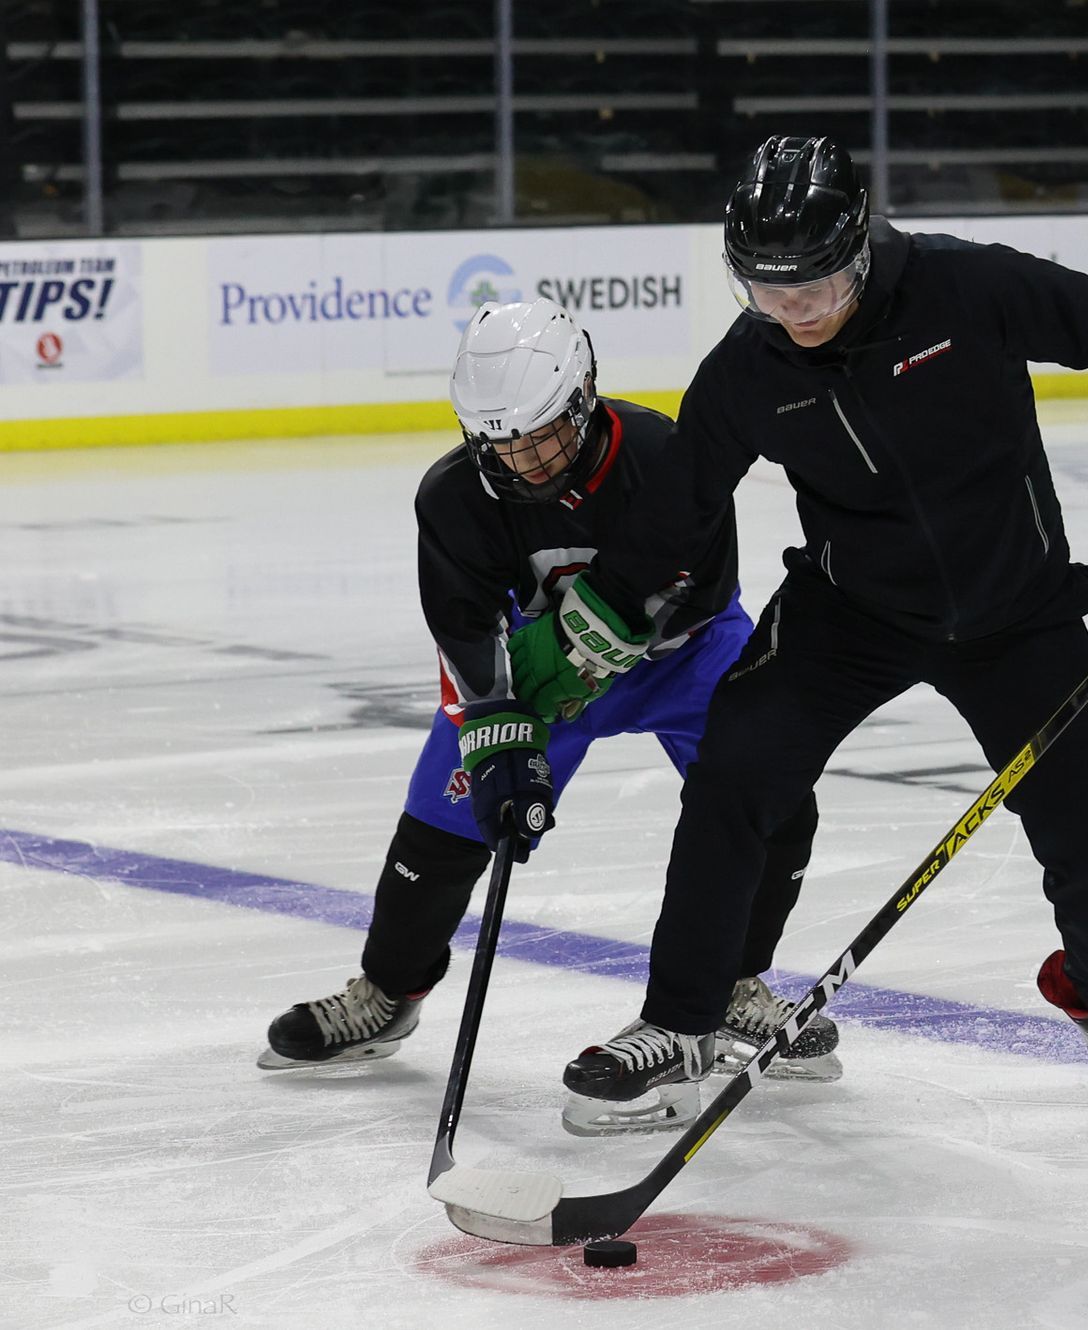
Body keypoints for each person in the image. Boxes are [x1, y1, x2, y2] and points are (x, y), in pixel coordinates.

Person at [507, 136, 1088, 1118]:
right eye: (769, 292)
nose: (796, 312)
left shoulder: (966, 287)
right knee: (736, 769)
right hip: (850, 609)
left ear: (858, 247)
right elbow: (676, 515)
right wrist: (588, 622)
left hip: (1014, 606)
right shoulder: (746, 369)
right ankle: (683, 1017)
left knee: (1086, 816)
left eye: (815, 284)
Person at [258, 298, 839, 1133]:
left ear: (585, 397)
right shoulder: (453, 497)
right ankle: (387, 993)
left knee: (775, 799)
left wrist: (596, 653)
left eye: (540, 435)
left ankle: (732, 984)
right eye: (501, 441)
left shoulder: (662, 452)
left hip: (685, 658)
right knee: (443, 827)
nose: (524, 461)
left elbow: (706, 588)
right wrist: (499, 740)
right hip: (536, 678)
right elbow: (464, 631)